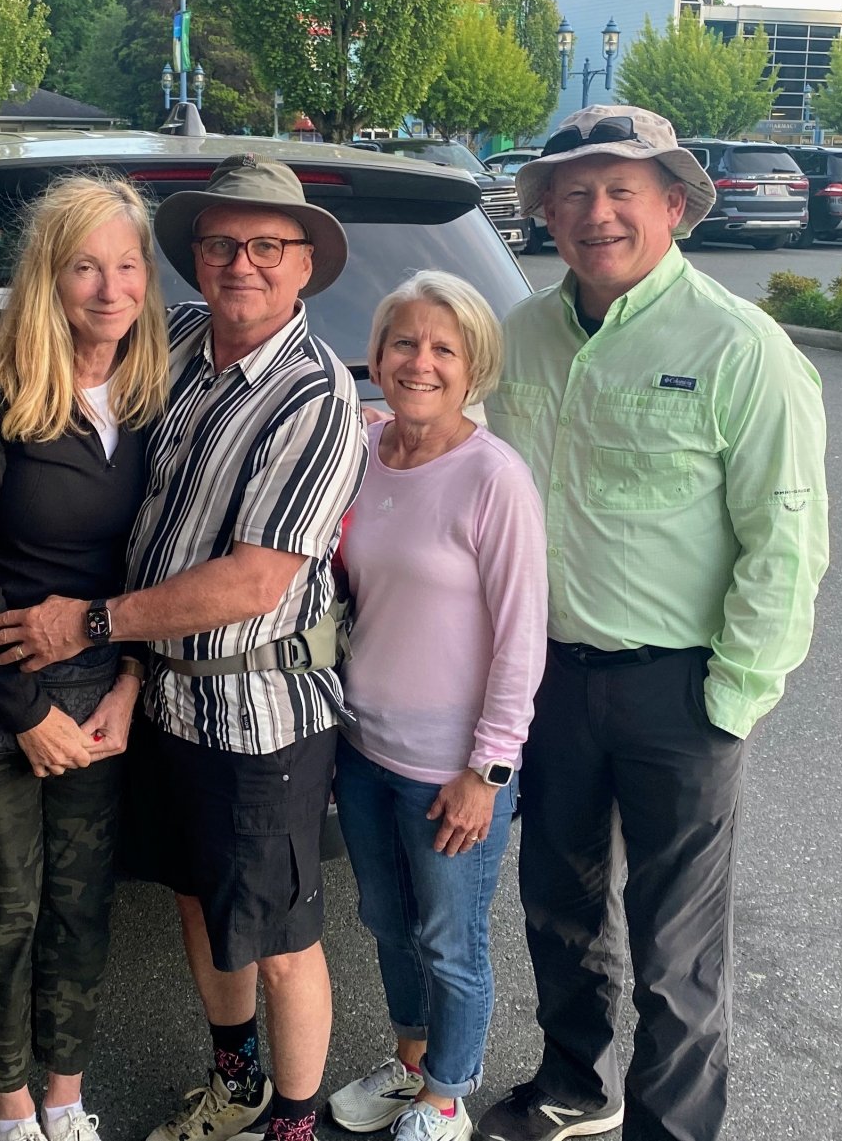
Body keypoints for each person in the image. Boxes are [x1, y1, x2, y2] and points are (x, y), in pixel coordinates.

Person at [0, 153, 368, 1141]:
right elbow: (55, 344)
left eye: (267, 246)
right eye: (220, 245)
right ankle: (236, 1084)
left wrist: (92, 624)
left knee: (279, 937)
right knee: (199, 901)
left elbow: (253, 583)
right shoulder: (177, 339)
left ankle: (294, 1124)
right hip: (163, 698)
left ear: (305, 263)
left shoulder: (315, 396)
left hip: (257, 715)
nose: (241, 264)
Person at [476, 105, 830, 1141]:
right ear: (547, 212)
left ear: (673, 205)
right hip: (548, 678)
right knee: (558, 906)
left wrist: (733, 698)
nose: (596, 213)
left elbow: (787, 536)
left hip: (678, 689)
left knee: (676, 947)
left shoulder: (740, 347)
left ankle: (670, 1129)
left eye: (621, 191)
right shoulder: (517, 338)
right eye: (573, 193)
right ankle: (572, 1084)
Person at [0, 174, 169, 1141]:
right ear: (46, 277)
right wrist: (27, 712)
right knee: (6, 910)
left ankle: (65, 1092)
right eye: (84, 267)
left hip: (102, 688)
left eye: (127, 266)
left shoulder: (156, 391)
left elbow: (156, 559)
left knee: (80, 904)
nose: (110, 289)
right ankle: (11, 1103)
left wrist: (129, 681)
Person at [325, 273, 547, 1141]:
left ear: (473, 366)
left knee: (452, 942)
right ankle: (411, 1064)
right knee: (387, 922)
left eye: (444, 348)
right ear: (378, 356)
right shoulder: (362, 449)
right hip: (363, 748)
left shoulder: (495, 477)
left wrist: (487, 770)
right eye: (404, 343)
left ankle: (447, 1094)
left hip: (452, 768)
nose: (421, 361)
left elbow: (521, 638)